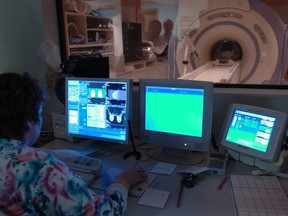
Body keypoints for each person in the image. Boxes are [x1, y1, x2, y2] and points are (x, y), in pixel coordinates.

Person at [0, 72, 147, 215]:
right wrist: (123, 182)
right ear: (30, 120)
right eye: (39, 114)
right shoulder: (39, 167)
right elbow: (105, 212)